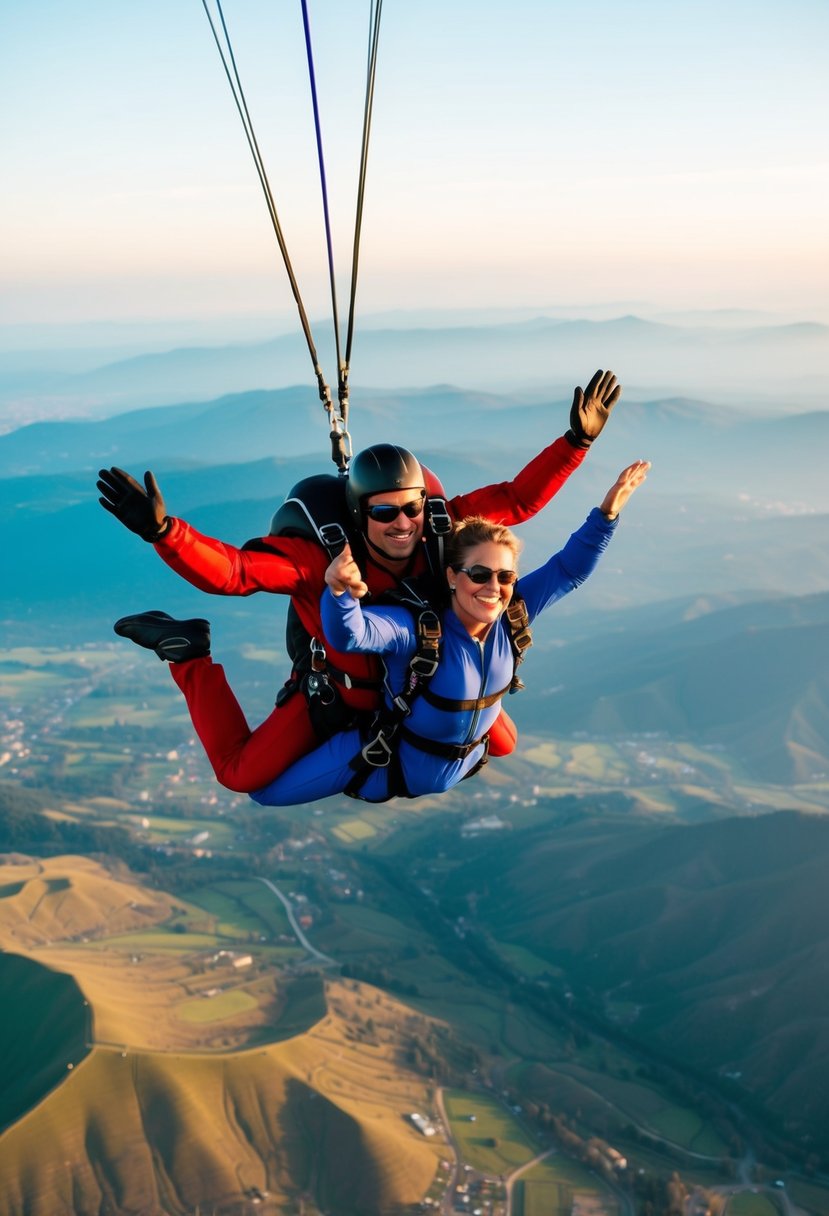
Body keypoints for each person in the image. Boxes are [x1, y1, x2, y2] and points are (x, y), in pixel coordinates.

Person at [100, 370, 622, 792]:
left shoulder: (440, 533)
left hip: (426, 688)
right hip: (347, 695)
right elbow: (234, 573)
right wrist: (165, 533)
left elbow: (516, 501)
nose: (403, 523)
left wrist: (576, 441)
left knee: (502, 740)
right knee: (241, 775)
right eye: (384, 512)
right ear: (359, 512)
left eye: (413, 507)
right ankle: (189, 654)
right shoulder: (320, 560)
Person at [247, 459, 649, 804]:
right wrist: (339, 591)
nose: (494, 587)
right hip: (383, 764)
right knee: (262, 791)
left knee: (507, 740)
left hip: (461, 758)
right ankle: (192, 655)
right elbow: (354, 635)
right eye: (479, 574)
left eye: (505, 575)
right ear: (453, 576)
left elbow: (569, 569)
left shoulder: (512, 614)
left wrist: (607, 515)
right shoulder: (418, 628)